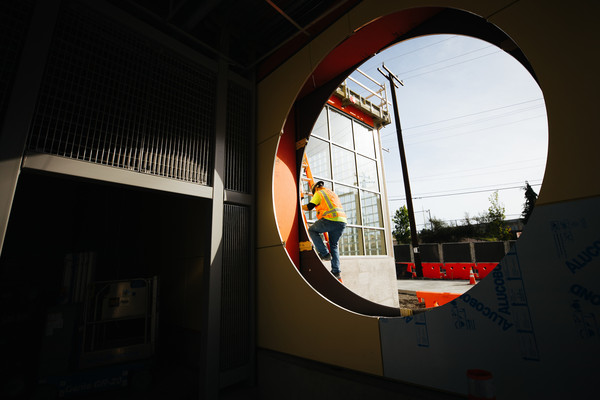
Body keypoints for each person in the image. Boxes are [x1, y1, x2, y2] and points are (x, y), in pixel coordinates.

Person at [302, 181, 347, 280]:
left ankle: (324, 254)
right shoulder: (331, 193)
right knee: (333, 245)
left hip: (331, 219)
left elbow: (309, 207)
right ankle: (336, 272)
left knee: (312, 230)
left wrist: (299, 206)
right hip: (342, 221)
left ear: (316, 189)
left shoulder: (319, 193)